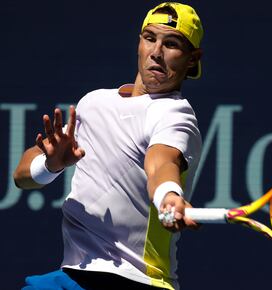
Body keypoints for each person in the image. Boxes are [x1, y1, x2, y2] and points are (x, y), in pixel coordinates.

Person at [13, 2, 204, 289]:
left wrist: (168, 194)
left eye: (172, 44)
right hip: (72, 276)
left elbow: (161, 163)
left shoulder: (175, 114)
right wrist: (49, 165)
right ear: (139, 42)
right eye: (150, 38)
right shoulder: (94, 102)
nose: (156, 52)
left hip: (137, 280)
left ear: (191, 59)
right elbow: (21, 178)